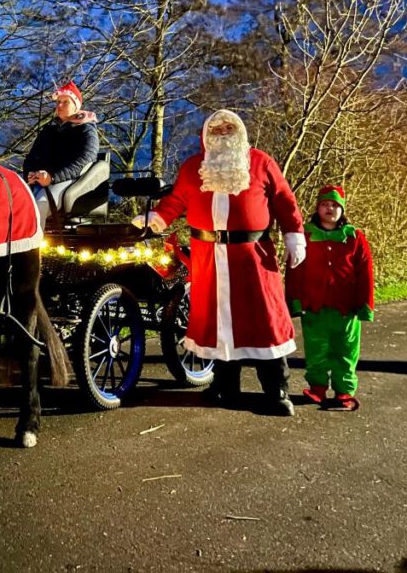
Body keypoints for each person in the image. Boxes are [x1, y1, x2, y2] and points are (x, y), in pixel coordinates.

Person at [133, 109, 307, 416]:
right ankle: (225, 387)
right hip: (209, 257)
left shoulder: (261, 163)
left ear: (239, 131)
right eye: (217, 128)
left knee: (264, 319)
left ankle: (277, 391)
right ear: (206, 134)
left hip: (252, 257)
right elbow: (176, 200)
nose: (223, 132)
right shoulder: (193, 169)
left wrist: (294, 234)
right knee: (219, 322)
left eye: (229, 127)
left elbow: (283, 199)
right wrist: (157, 218)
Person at [286, 185, 374, 411]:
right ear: (317, 208)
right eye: (325, 204)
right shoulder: (305, 236)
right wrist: (294, 300)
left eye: (335, 205)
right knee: (316, 349)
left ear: (342, 210)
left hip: (346, 307)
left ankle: (344, 392)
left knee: (346, 350)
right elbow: (294, 269)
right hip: (313, 305)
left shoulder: (354, 237)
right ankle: (317, 388)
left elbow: (365, 272)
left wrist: (365, 303)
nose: (330, 209)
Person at [22, 81, 99, 227]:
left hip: (71, 182)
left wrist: (53, 177)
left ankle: (32, 249)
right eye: (58, 102)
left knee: (40, 206)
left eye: (65, 102)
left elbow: (85, 159)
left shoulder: (86, 129)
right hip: (41, 180)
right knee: (19, 204)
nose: (59, 106)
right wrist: (30, 173)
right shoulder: (48, 130)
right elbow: (32, 157)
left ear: (76, 105)